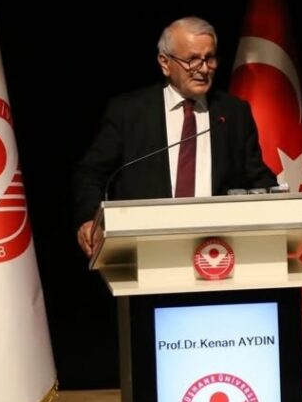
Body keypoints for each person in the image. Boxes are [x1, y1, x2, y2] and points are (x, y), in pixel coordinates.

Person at [72, 16, 277, 257]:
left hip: (217, 252)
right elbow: (92, 173)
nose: (203, 69)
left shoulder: (233, 113)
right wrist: (90, 218)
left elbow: (256, 177)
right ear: (165, 63)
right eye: (192, 60)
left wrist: (281, 202)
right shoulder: (128, 112)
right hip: (144, 249)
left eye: (209, 58)